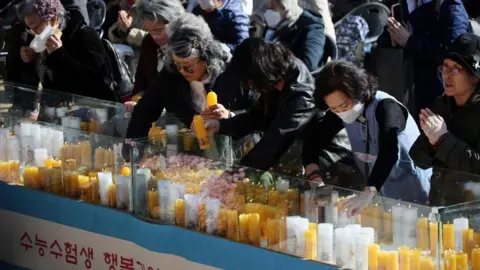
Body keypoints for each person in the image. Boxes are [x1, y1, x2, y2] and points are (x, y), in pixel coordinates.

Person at [302, 60, 431, 215]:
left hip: (412, 192)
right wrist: (315, 180)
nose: (341, 112)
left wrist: (368, 191)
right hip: (378, 194)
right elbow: (313, 144)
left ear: (356, 92)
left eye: (344, 106)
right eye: (334, 109)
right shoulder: (339, 112)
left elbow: (389, 152)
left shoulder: (386, 108)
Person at [125, 13, 252, 141]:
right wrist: (133, 150)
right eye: (177, 64)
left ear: (206, 58)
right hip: (194, 151)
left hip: (238, 149)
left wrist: (230, 116)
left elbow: (260, 113)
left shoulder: (232, 73)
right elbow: (144, 112)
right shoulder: (170, 75)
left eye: (188, 67)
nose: (182, 71)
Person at [203, 38, 317, 171]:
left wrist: (237, 173)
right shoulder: (276, 78)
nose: (250, 87)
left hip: (313, 160)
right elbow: (257, 116)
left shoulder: (301, 92)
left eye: (250, 82)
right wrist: (221, 125)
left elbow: (277, 139)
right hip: (288, 157)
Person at [410, 33, 480, 206]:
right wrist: (432, 141)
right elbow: (419, 160)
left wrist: (442, 139)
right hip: (441, 203)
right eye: (445, 67)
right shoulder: (442, 103)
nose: (447, 74)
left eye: (455, 68)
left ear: (475, 77)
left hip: (473, 211)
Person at [377, 0, 469, 118]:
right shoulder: (406, 5)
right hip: (408, 89)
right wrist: (392, 37)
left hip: (438, 92)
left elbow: (453, 54)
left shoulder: (450, 6)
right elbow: (383, 39)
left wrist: (409, 42)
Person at [15, 0, 115, 101]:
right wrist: (31, 60)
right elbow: (42, 79)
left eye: (36, 27)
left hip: (87, 111)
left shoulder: (85, 36)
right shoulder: (45, 37)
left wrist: (60, 55)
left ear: (53, 20)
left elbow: (98, 84)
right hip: (54, 111)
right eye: (29, 29)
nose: (34, 33)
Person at [127, 0, 185, 100]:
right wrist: (138, 98)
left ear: (174, 23)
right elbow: (141, 83)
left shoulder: (186, 48)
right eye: (149, 30)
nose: (154, 36)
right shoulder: (148, 42)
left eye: (158, 30)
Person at [263, 0, 326, 71]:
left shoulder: (311, 27)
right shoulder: (273, 25)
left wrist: (273, 67)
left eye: (272, 8)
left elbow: (308, 65)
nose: (268, 12)